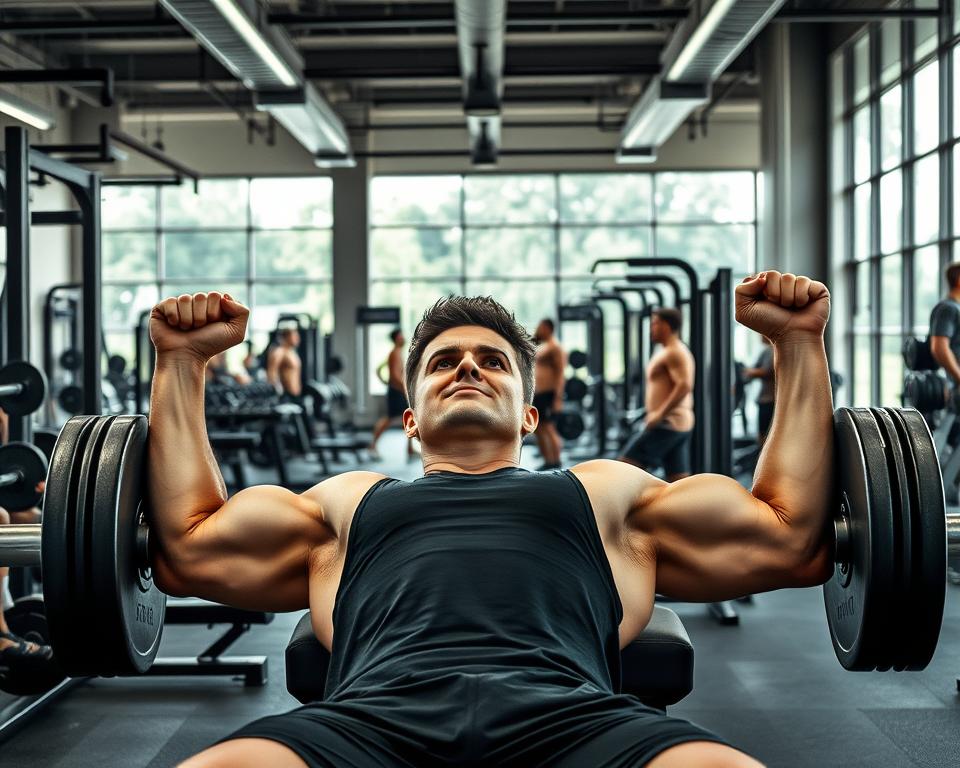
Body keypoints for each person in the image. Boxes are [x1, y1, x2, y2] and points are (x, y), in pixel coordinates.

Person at [149, 271, 832, 768]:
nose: (468, 366)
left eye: (493, 362)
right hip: (367, 723)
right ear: (411, 421)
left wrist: (798, 344)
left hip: (577, 723)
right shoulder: (347, 502)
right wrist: (181, 363)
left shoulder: (605, 494)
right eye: (444, 361)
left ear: (529, 417)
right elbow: (188, 547)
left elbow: (789, 537)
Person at [619, 308, 696, 482]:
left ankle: (632, 509)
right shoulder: (668, 350)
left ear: (667, 326)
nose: (651, 328)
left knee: (624, 467)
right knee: (678, 480)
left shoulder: (675, 352)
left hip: (667, 423)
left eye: (655, 323)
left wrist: (659, 414)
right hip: (676, 423)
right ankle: (689, 509)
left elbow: (684, 385)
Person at [368, 328, 416, 461]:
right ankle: (372, 446)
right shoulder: (394, 353)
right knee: (389, 419)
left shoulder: (398, 352)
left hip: (397, 390)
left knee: (409, 418)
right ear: (397, 338)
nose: (403, 338)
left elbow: (380, 369)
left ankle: (410, 449)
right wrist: (405, 390)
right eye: (401, 336)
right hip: (396, 391)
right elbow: (395, 376)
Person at [531, 318, 566, 470]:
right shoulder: (543, 346)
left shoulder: (555, 347)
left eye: (540, 327)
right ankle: (548, 461)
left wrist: (558, 398)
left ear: (547, 328)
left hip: (548, 394)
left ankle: (556, 461)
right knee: (538, 427)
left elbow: (560, 373)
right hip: (538, 394)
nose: (537, 329)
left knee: (549, 427)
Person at [742, 336, 775, 444]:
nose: (760, 336)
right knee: (763, 433)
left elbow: (767, 371)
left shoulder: (772, 351)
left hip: (770, 399)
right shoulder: (767, 350)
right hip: (766, 398)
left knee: (765, 434)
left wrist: (749, 371)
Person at [266, 326, 302, 398]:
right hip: (285, 395)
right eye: (294, 336)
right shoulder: (279, 352)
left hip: (295, 394)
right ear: (286, 337)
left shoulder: (292, 352)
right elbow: (271, 372)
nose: (297, 339)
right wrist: (278, 390)